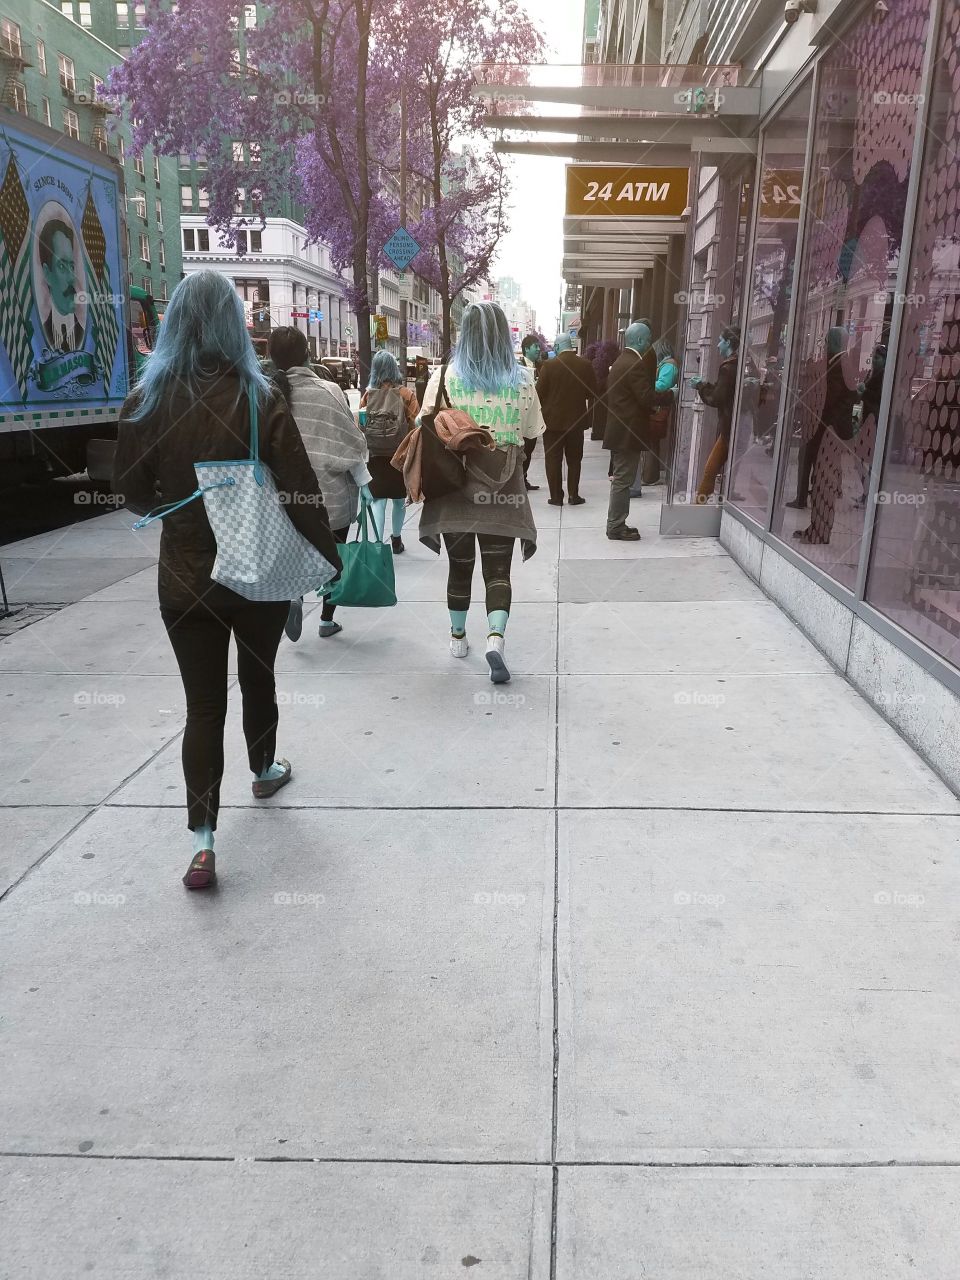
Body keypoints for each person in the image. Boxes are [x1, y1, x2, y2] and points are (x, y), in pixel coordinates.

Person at [112, 271, 341, 891]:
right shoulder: (258, 398)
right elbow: (299, 491)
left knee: (202, 705)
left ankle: (203, 843)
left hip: (185, 579)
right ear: (232, 326)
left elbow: (131, 493)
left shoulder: (145, 400)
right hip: (255, 572)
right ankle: (264, 768)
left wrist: (184, 503)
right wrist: (327, 558)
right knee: (258, 676)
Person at [419, 301, 544, 683]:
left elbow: (425, 426)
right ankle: (495, 639)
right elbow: (531, 434)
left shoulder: (442, 377)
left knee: (460, 567)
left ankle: (458, 639)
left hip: (454, 484)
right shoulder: (523, 379)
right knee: (497, 570)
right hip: (504, 485)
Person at [268, 326, 372, 641]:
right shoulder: (328, 390)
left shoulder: (263, 393)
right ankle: (327, 619)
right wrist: (365, 484)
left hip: (282, 497)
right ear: (308, 354)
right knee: (333, 555)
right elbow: (351, 442)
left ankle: (294, 595)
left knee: (294, 549)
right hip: (330, 495)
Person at [603, 322, 675, 540]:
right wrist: (671, 394)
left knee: (622, 480)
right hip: (627, 433)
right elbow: (646, 397)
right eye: (649, 339)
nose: (650, 344)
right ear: (641, 341)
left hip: (621, 431)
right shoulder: (634, 364)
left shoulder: (621, 361)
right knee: (623, 481)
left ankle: (617, 522)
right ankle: (615, 526)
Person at [787, 326, 856, 511]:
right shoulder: (837, 361)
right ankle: (806, 496)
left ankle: (808, 497)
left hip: (825, 424)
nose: (825, 344)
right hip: (824, 423)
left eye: (827, 340)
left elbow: (832, 396)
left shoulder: (841, 364)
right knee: (814, 458)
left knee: (811, 457)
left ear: (834, 342)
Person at [360, 351, 419, 553]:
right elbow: (416, 423)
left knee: (378, 500)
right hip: (399, 455)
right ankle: (396, 539)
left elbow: (360, 425)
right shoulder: (405, 394)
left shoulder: (369, 395)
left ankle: (378, 542)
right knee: (398, 499)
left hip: (375, 454)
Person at [535, 333, 597, 505]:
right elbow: (592, 392)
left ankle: (556, 497)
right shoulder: (585, 365)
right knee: (575, 459)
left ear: (557, 346)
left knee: (553, 459)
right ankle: (573, 495)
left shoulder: (549, 365)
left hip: (552, 422)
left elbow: (538, 393)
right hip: (576, 421)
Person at [693, 325, 741, 504]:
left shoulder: (728, 368)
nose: (718, 345)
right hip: (736, 424)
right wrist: (705, 385)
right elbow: (723, 393)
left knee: (710, 468)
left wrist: (701, 386)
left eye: (720, 341)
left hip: (730, 426)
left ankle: (699, 507)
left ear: (728, 343)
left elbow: (717, 399)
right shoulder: (739, 364)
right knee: (719, 468)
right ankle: (705, 504)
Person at [632, 335, 680, 494]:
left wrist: (643, 385)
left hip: (659, 409)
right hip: (658, 408)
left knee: (651, 443)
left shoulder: (668, 365)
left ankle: (649, 476)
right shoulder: (666, 365)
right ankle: (648, 475)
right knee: (651, 443)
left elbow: (661, 385)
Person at [518, 333, 543, 490]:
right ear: (526, 349)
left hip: (535, 412)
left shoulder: (542, 367)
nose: (539, 350)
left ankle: (524, 478)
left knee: (530, 447)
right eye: (536, 347)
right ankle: (519, 481)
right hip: (521, 414)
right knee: (523, 449)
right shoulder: (518, 367)